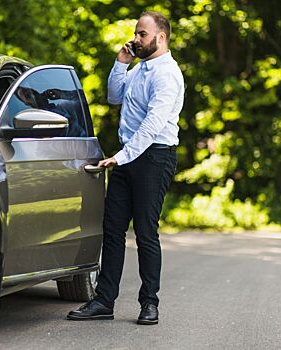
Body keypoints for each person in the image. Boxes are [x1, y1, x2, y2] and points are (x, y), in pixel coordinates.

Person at [67, 10, 184, 325]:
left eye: (142, 34)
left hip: (154, 157)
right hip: (127, 156)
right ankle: (104, 301)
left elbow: (153, 124)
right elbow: (114, 97)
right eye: (136, 33)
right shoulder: (138, 69)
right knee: (113, 229)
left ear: (160, 37)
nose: (136, 39)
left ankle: (149, 303)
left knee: (146, 231)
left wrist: (122, 155)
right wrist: (121, 62)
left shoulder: (167, 74)